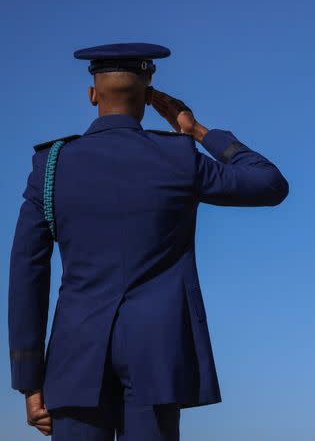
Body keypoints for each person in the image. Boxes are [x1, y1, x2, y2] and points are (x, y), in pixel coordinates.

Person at [8, 43, 289, 440]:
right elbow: (270, 183)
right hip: (157, 356)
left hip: (76, 358)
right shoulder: (180, 157)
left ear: (92, 94)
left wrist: (29, 378)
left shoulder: (50, 167)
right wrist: (197, 131)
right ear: (148, 96)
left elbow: (26, 274)